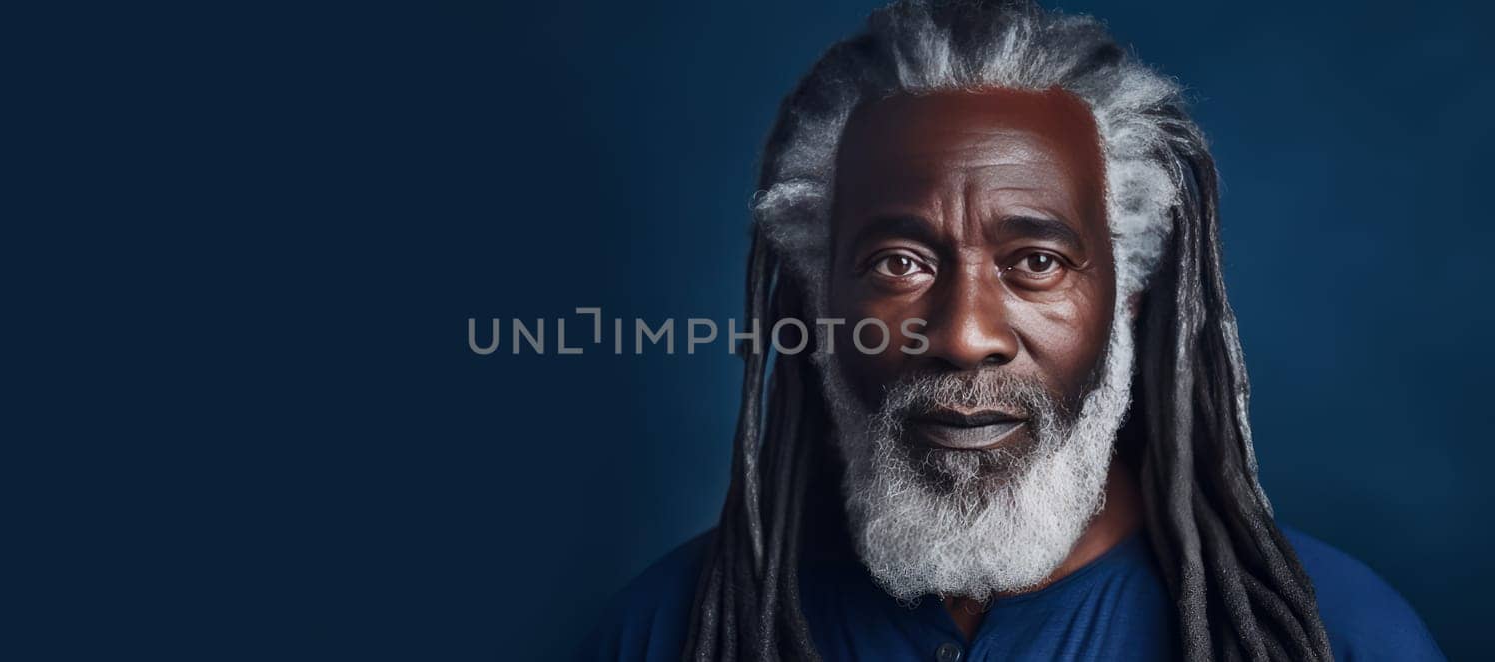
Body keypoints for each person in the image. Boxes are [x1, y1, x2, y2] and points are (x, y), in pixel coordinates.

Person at [581, 1, 1443, 659]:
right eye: (897, 263)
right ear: (815, 296)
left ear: (1128, 294)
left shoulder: (1333, 636)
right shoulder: (667, 632)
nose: (964, 337)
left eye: (1035, 262)